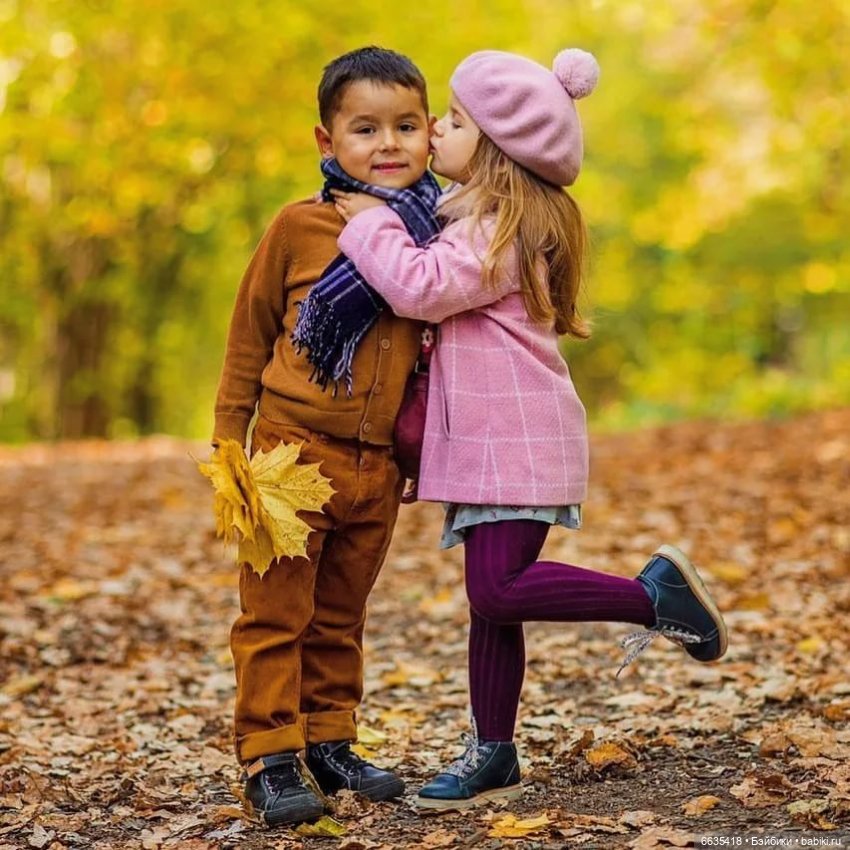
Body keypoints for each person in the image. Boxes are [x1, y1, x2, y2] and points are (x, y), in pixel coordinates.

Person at [331, 47, 728, 811]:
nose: (436, 133)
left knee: (499, 587)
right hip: (493, 441)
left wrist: (373, 224)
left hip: (513, 437)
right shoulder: (479, 219)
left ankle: (657, 596)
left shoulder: (497, 229)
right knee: (491, 602)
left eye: (452, 121)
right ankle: (494, 753)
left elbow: (419, 287)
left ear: (497, 149)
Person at [212, 46, 438, 827]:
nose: (388, 144)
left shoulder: (433, 238)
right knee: (275, 612)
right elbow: (251, 334)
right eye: (365, 128)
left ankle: (330, 739)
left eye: (406, 126)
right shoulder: (300, 227)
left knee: (342, 615)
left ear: (433, 134)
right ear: (325, 140)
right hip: (286, 453)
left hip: (376, 467)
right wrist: (227, 441)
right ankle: (270, 754)